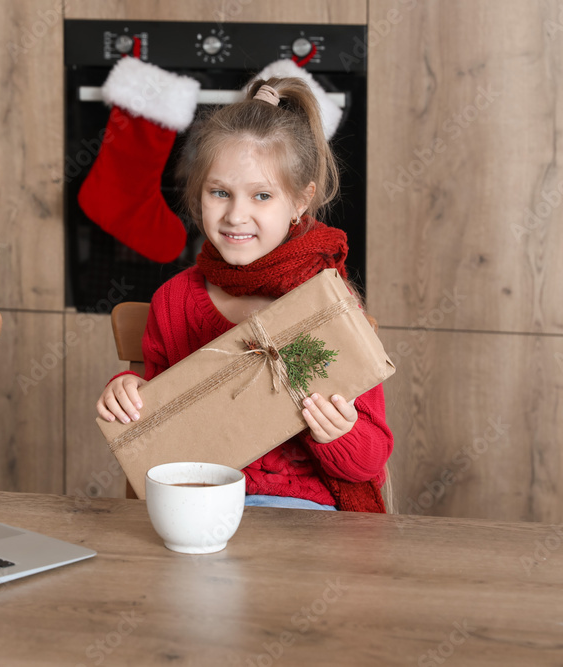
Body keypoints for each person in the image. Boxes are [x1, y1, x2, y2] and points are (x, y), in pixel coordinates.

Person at [96, 76, 392, 513]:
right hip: (198, 506)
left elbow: (371, 461)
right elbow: (157, 425)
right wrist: (125, 391)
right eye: (220, 192)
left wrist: (337, 433)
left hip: (301, 516)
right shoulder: (174, 302)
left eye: (261, 196)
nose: (237, 215)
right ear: (199, 196)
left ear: (298, 202)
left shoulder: (328, 305)